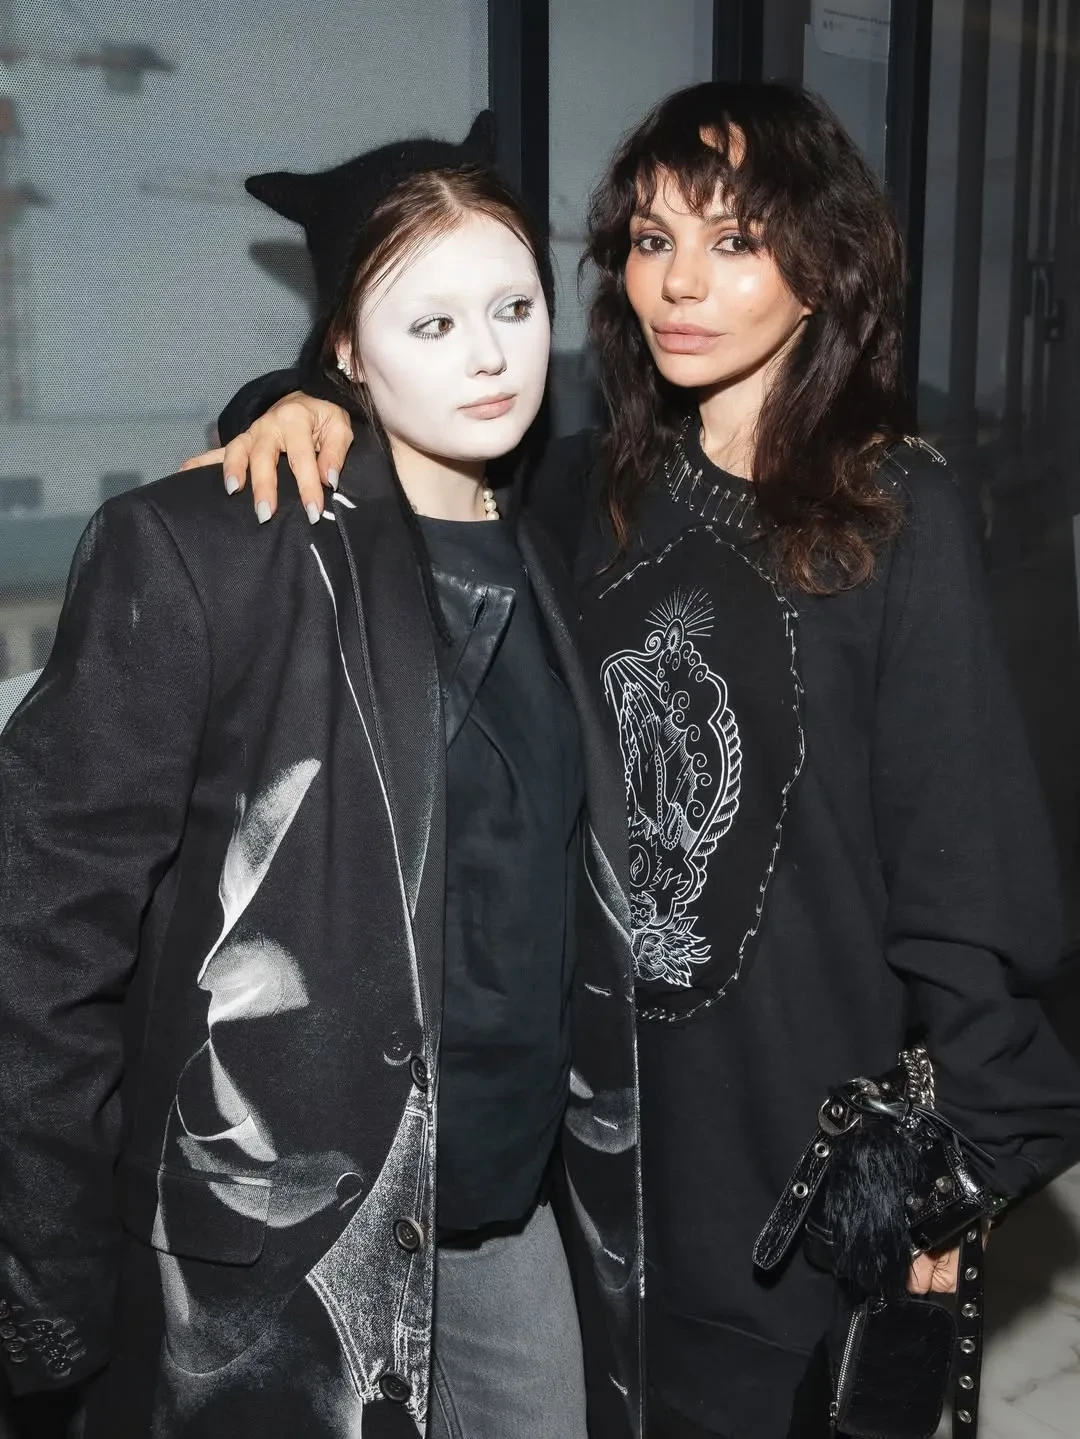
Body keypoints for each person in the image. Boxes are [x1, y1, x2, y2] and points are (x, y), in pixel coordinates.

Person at [199, 82, 1080, 1438]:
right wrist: (294, 400)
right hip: (592, 1155)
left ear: (826, 264)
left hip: (789, 1165)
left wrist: (955, 1171)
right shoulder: (585, 485)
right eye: (655, 239)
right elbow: (413, 428)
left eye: (736, 241)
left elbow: (968, 875)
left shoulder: (893, 511)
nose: (681, 282)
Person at [0, 116, 644, 1439]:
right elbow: (43, 925)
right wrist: (47, 1271)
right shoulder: (207, 548)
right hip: (280, 1249)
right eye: (431, 323)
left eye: (515, 306)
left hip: (507, 1215)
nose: (489, 355)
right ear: (346, 348)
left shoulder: (558, 536)